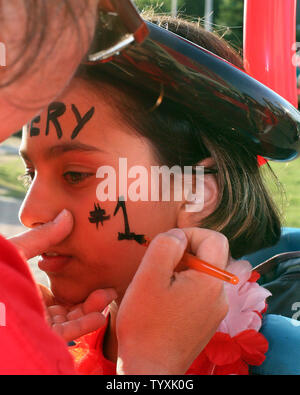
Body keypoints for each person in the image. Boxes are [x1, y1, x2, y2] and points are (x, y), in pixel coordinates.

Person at [16, 14, 280, 375]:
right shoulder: (32, 341)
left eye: (75, 174)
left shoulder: (283, 360)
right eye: (30, 173)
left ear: (194, 194)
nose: (29, 212)